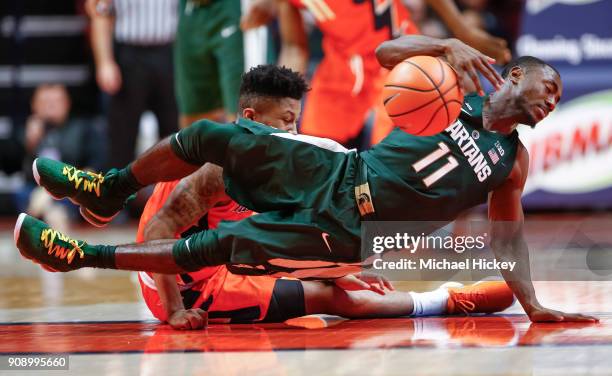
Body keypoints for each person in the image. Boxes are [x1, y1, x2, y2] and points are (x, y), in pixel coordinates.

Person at [15, 36, 597, 323]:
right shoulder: (458, 85)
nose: (552, 102)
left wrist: (534, 304)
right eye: (549, 89)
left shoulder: (510, 164)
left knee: (223, 247)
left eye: (559, 100)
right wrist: (442, 44)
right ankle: (108, 190)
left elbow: (507, 240)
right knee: (211, 139)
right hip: (342, 171)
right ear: (515, 75)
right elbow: (389, 51)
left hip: (355, 232)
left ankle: (82, 255)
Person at [134, 65, 513, 328]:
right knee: (333, 300)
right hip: (186, 285)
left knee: (344, 280)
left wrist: (340, 268)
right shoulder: (213, 165)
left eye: (296, 119)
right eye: (285, 120)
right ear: (251, 117)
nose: (294, 129)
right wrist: (172, 310)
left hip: (233, 259)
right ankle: (443, 301)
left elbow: (298, 227)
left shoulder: (278, 158)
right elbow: (157, 230)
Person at [241, 0, 511, 147]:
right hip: (343, 62)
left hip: (397, 54)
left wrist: (463, 30)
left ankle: (416, 219)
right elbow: (294, 46)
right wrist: (278, 96)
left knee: (392, 151)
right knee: (312, 148)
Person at [87, 0, 179, 168]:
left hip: (170, 52)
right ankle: (118, 192)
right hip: (129, 55)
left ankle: (175, 192)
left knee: (175, 134)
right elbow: (100, 12)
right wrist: (104, 62)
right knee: (122, 138)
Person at [16, 84, 105, 231]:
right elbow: (11, 166)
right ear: (34, 105)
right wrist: (29, 143)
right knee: (24, 195)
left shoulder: (83, 130)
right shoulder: (25, 131)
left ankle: (48, 217)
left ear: (67, 103)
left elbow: (95, 167)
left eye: (56, 101)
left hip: (71, 190)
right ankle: (50, 217)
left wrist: (52, 193)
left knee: (64, 204)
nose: (51, 106)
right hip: (33, 191)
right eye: (45, 102)